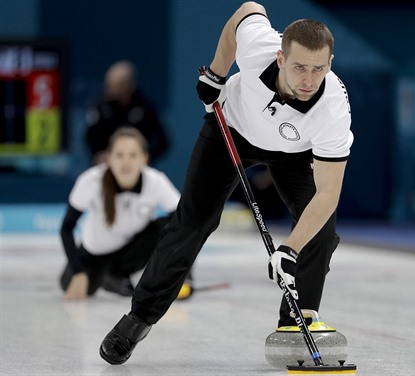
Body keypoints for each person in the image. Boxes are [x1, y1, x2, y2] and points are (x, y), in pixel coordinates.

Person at [99, 1, 353, 365]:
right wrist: (217, 75)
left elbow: (329, 193)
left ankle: (295, 325)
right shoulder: (260, 47)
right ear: (280, 58)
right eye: (299, 67)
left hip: (296, 149)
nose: (309, 79)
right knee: (193, 221)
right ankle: (138, 319)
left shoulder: (333, 109)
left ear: (329, 64)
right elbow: (247, 11)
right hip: (230, 129)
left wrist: (290, 249)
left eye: (319, 69)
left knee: (321, 232)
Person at [59, 127, 192, 300]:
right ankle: (105, 277)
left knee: (166, 225)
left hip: (131, 253)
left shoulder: (156, 181)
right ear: (108, 158)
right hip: (94, 253)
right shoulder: (91, 181)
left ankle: (117, 275)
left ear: (144, 158)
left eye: (133, 155)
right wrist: (77, 272)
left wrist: (184, 274)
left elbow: (185, 225)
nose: (126, 162)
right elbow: (67, 227)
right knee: (70, 286)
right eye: (119, 155)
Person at [85, 61, 169, 165]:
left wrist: (147, 156)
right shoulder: (100, 107)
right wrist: (98, 155)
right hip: (105, 168)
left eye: (114, 85)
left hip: (138, 170)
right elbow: (89, 137)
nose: (108, 89)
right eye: (108, 85)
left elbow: (163, 141)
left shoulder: (145, 107)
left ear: (128, 85)